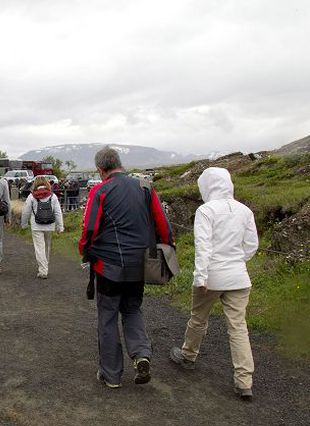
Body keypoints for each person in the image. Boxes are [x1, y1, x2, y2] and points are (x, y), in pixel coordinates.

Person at [79, 146, 174, 388]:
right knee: (132, 309)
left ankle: (111, 375)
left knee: (108, 317)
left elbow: (90, 227)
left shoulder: (100, 191)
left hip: (109, 266)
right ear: (119, 163)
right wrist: (166, 248)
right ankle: (141, 354)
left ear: (101, 170)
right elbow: (162, 223)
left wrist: (85, 250)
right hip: (140, 264)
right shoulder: (145, 187)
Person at [169, 167, 259, 401]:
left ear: (207, 186)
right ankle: (244, 381)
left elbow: (203, 246)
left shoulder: (206, 210)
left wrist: (201, 277)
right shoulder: (245, 211)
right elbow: (251, 246)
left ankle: (188, 356)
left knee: (198, 318)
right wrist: (237, 261)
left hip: (212, 276)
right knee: (238, 327)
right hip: (239, 277)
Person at [20, 176, 64, 279]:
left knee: (39, 248)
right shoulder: (52, 196)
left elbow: (26, 212)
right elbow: (58, 212)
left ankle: (43, 269)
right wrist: (60, 226)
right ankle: (45, 265)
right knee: (47, 246)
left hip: (36, 226)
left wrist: (24, 224)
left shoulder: (32, 196)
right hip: (49, 225)